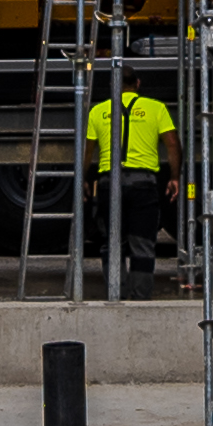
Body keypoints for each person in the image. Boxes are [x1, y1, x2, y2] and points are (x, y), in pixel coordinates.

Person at [83, 77, 176, 286]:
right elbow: (172, 144)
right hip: (143, 184)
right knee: (142, 243)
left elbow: (87, 151)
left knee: (111, 243)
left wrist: (83, 180)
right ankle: (140, 297)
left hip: (109, 183)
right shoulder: (156, 108)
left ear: (113, 85)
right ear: (138, 83)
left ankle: (117, 293)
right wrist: (175, 177)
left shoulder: (98, 111)